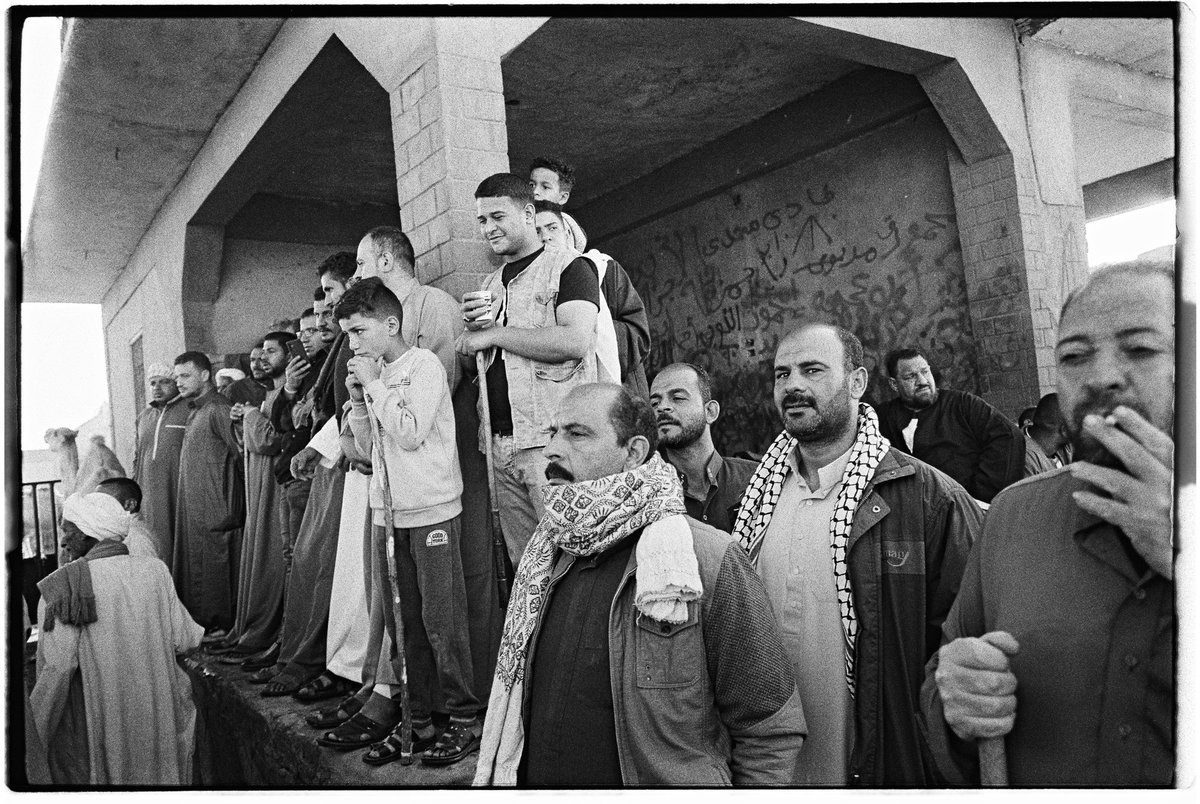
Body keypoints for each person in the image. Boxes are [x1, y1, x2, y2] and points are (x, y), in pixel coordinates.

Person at [474, 383, 806, 786]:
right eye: (552, 433)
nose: (551, 451)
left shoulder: (705, 559)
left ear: (633, 452)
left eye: (576, 434)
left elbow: (769, 730)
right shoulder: (544, 557)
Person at [921, 260, 1175, 786]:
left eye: (1141, 349)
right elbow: (946, 677)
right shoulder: (1013, 517)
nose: (1102, 376)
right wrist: (955, 698)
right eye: (1074, 356)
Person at [731, 324, 981, 786]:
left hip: (878, 768)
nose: (793, 386)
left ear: (857, 382)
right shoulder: (755, 498)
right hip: (768, 774)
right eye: (781, 374)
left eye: (812, 370)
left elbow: (965, 644)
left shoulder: (929, 499)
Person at [334, 277, 480, 766]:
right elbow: (366, 452)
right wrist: (358, 400)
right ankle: (414, 723)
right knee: (404, 626)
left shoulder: (423, 367)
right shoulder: (373, 378)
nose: (352, 344)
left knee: (443, 622)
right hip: (387, 514)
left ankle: (462, 720)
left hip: (431, 511)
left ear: (391, 324)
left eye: (359, 331)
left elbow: (411, 433)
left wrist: (374, 385)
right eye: (347, 335)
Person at [456, 173, 600, 567]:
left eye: (498, 216)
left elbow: (574, 341)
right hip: (498, 446)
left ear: (529, 213)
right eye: (482, 220)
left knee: (577, 556)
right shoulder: (491, 283)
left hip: (552, 444)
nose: (489, 228)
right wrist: (471, 341)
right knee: (529, 569)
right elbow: (482, 363)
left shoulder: (570, 267)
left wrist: (495, 334)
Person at [31, 491, 204, 784]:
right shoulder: (156, 571)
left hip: (102, 718)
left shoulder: (64, 588)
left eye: (68, 533)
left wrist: (35, 731)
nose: (63, 542)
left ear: (88, 535)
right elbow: (186, 639)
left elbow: (57, 669)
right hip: (157, 713)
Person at [529, 158, 652, 400]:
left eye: (553, 228)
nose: (546, 237)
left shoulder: (603, 269)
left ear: (567, 232)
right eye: (537, 232)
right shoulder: (529, 283)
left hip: (620, 393)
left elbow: (639, 335)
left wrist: (588, 328)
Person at [210, 332, 292, 664]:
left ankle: (268, 635)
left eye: (270, 353)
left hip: (278, 489)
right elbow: (253, 444)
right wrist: (242, 421)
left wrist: (250, 417)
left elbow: (272, 440)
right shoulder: (268, 396)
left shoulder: (286, 394)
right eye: (257, 355)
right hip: (261, 487)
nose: (260, 360)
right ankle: (250, 631)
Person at [876, 346, 1024, 504]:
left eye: (925, 371)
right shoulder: (882, 417)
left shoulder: (963, 404)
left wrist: (978, 496)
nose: (923, 381)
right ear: (894, 384)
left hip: (971, 506)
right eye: (911, 376)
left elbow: (1008, 436)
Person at [172, 350, 244, 639]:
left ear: (204, 375)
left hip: (218, 508)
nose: (178, 382)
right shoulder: (197, 410)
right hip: (198, 507)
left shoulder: (217, 408)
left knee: (218, 568)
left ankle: (222, 625)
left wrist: (228, 501)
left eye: (185, 375)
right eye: (176, 376)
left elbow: (242, 453)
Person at [649, 362, 756, 533]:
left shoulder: (757, 480)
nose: (662, 407)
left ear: (710, 411)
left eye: (678, 398)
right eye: (654, 403)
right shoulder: (645, 494)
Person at [132, 363, 190, 561]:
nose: (157, 387)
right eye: (152, 383)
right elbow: (137, 458)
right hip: (148, 498)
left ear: (176, 383)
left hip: (179, 494)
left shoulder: (190, 410)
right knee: (153, 548)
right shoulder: (144, 417)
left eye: (164, 382)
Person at [93, 476, 159, 560]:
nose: (96, 508)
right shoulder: (119, 531)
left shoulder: (137, 537)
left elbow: (148, 572)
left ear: (130, 505)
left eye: (104, 502)